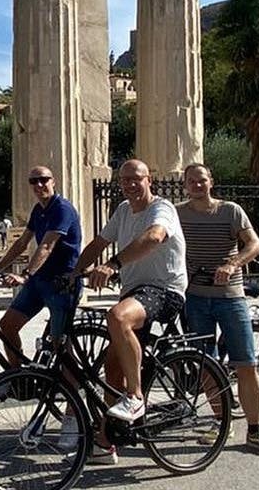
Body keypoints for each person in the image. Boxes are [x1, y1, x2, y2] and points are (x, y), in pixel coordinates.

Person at [177, 163, 259, 459]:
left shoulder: (230, 211)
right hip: (195, 297)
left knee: (245, 364)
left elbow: (254, 244)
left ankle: (255, 430)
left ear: (211, 182)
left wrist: (231, 264)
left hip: (230, 296)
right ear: (184, 185)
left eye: (202, 180)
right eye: (191, 181)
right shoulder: (177, 212)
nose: (197, 185)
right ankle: (220, 421)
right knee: (205, 364)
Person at [75, 158, 187, 428]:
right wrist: (73, 273)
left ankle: (136, 397)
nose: (130, 184)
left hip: (164, 289)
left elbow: (154, 237)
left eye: (137, 178)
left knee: (118, 317)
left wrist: (112, 265)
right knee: (112, 367)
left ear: (150, 180)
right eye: (125, 180)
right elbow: (99, 242)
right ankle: (108, 439)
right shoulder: (124, 210)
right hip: (135, 292)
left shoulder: (162, 208)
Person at [0, 166, 83, 366]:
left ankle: (74, 390)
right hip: (40, 280)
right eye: (33, 181)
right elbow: (21, 243)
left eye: (43, 180)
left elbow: (47, 245)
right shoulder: (38, 210)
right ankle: (20, 378)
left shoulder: (62, 209)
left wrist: (25, 275)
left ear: (54, 181)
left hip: (62, 283)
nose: (39, 185)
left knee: (59, 345)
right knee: (8, 324)